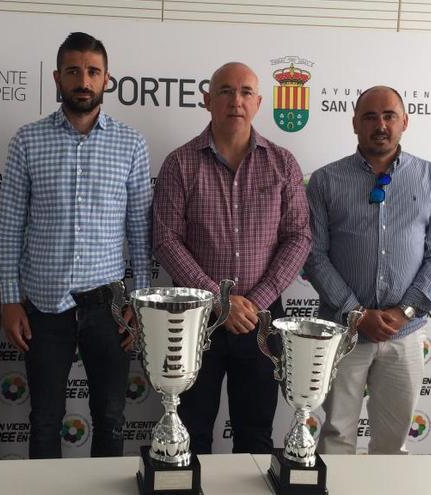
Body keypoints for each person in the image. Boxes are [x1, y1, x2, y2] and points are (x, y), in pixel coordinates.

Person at [0, 32, 152, 459]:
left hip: (110, 308)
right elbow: (8, 228)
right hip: (44, 307)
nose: (84, 80)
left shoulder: (131, 144)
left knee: (112, 417)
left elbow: (139, 231)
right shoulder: (27, 140)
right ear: (57, 78)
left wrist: (137, 304)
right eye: (74, 71)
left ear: (107, 80)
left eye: (93, 72)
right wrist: (9, 301)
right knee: (44, 420)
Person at [152, 62, 311, 454]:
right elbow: (166, 239)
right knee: (190, 433)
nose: (235, 101)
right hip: (197, 318)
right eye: (224, 91)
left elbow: (299, 237)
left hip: (261, 320)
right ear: (207, 100)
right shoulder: (180, 163)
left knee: (256, 435)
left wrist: (255, 302)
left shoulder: (283, 163)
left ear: (258, 103)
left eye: (244, 92)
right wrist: (220, 300)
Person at [306, 85, 431, 454]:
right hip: (344, 331)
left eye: (389, 115)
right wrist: (357, 313)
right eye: (370, 116)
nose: (380, 124)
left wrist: (403, 312)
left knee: (393, 440)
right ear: (354, 123)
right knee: (337, 434)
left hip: (405, 333)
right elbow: (314, 255)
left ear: (404, 121)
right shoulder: (325, 181)